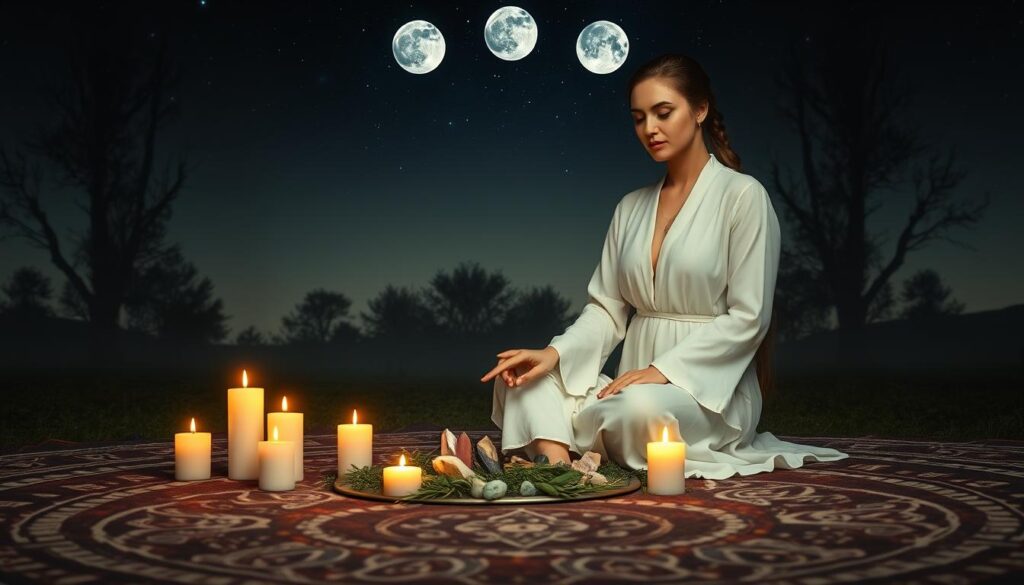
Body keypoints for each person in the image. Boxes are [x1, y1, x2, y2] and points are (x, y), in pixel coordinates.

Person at [480, 53, 849, 479]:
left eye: (663, 112)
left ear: (700, 109)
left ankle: (557, 443)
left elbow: (749, 317)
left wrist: (661, 372)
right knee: (525, 380)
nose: (649, 129)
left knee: (636, 411)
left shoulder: (743, 198)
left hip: (710, 391)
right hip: (629, 384)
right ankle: (561, 471)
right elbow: (606, 309)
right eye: (639, 118)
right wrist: (554, 353)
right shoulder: (630, 207)